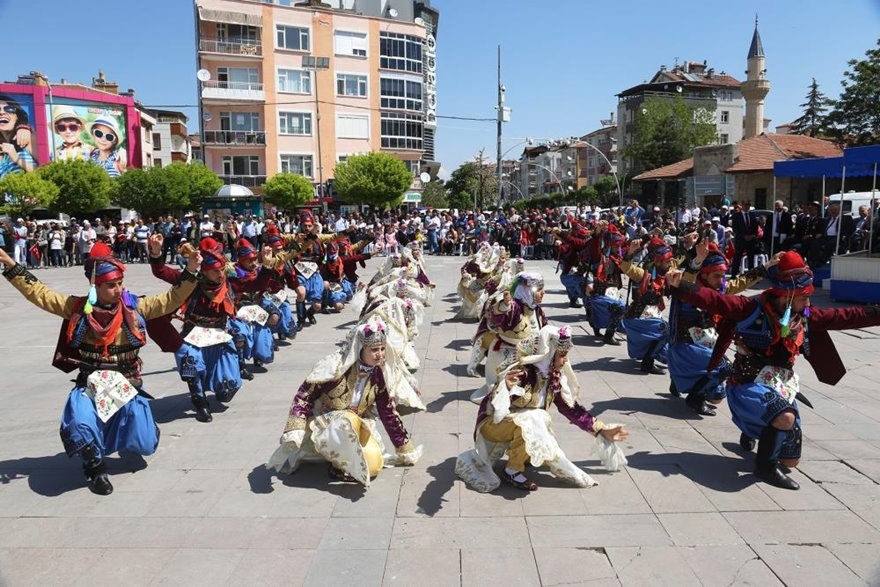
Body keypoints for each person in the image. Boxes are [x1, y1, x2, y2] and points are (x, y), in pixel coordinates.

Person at [0, 242, 201, 494]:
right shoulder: (76, 308)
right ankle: (94, 468)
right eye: (111, 285)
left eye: (119, 283)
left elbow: (172, 299)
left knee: (146, 444)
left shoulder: (136, 307)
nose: (118, 290)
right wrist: (11, 266)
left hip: (126, 386)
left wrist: (191, 270)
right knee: (80, 425)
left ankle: (137, 428)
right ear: (95, 286)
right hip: (91, 386)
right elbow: (40, 293)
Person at [667, 252, 880, 490]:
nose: (808, 304)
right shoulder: (751, 308)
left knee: (790, 460)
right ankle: (764, 466)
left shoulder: (804, 315)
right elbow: (716, 301)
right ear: (786, 295)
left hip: (780, 384)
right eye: (803, 298)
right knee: (784, 417)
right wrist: (681, 285)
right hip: (747, 384)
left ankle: (756, 431)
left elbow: (844, 316)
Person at [456, 325, 629, 492]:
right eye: (562, 355)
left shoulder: (552, 377)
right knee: (535, 417)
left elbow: (571, 410)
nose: (566, 360)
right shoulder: (521, 373)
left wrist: (600, 430)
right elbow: (496, 407)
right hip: (494, 425)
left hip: (519, 425)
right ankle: (512, 471)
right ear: (549, 353)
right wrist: (505, 388)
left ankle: (524, 455)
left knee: (537, 418)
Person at [267, 318, 422, 487]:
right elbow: (304, 395)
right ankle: (336, 467)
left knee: (373, 466)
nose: (380, 355)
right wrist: (294, 430)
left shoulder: (378, 374)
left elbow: (387, 412)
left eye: (382, 349)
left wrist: (404, 447)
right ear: (361, 349)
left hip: (358, 423)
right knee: (346, 421)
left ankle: (345, 457)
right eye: (374, 350)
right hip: (326, 425)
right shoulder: (334, 367)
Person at [0, 95, 36, 178]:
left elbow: (45, 172)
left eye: (9, 109)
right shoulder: (3, 147)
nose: (1, 112)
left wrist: (16, 158)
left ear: (17, 116)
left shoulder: (28, 137)